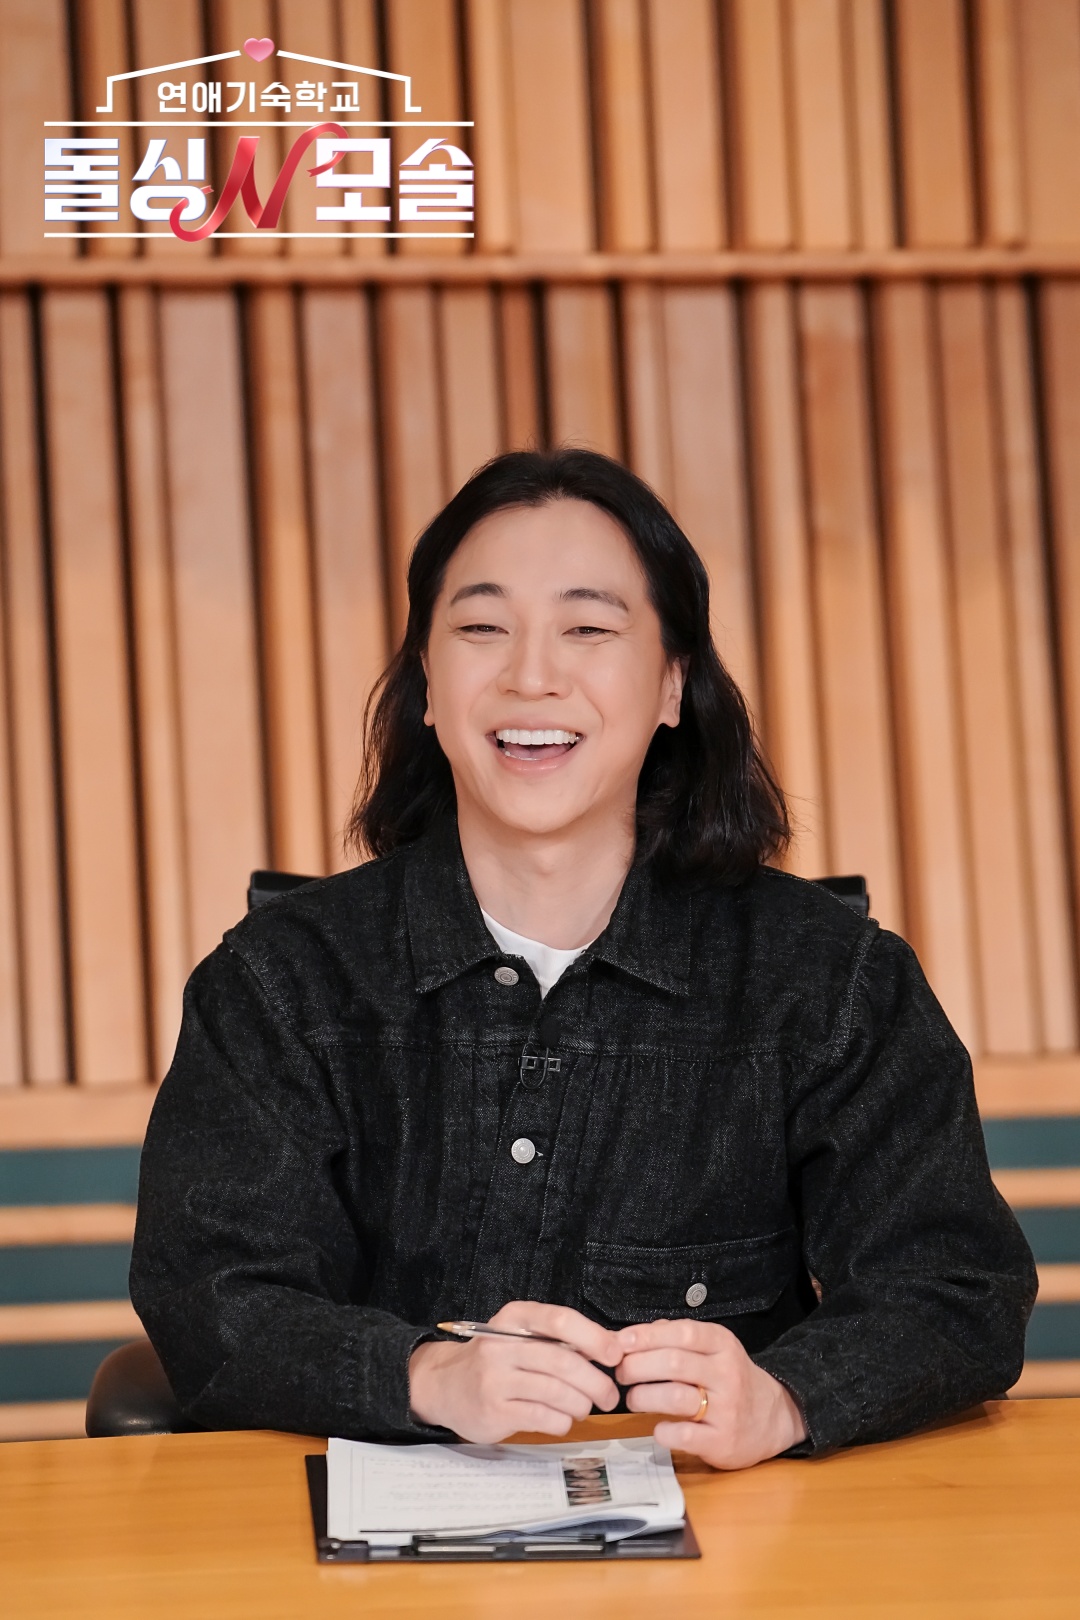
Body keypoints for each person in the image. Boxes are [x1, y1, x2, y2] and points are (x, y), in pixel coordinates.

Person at [130, 448, 1036, 1469]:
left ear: (672, 683)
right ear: (427, 683)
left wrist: (787, 1398)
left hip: (728, 1537)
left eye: (589, 629)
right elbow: (210, 1293)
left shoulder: (831, 983)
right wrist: (423, 1376)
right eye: (482, 628)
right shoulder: (279, 981)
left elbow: (957, 1288)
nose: (531, 675)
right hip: (351, 1538)